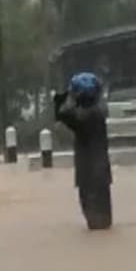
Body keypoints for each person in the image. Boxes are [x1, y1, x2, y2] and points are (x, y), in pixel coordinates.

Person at [54, 72, 113, 231]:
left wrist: (66, 98)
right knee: (103, 223)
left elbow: (63, 113)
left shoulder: (84, 116)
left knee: (95, 223)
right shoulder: (99, 111)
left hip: (88, 174)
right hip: (100, 173)